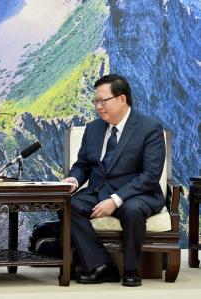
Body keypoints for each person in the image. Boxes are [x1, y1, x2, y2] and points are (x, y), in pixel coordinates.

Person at [62, 74, 165, 287]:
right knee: (67, 205)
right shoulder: (93, 128)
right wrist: (72, 180)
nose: (98, 106)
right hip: (99, 191)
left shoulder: (149, 128)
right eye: (96, 101)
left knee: (132, 210)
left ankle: (131, 271)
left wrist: (116, 199)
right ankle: (102, 266)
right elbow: (83, 165)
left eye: (103, 100)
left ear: (122, 99)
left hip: (137, 193)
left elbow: (150, 175)